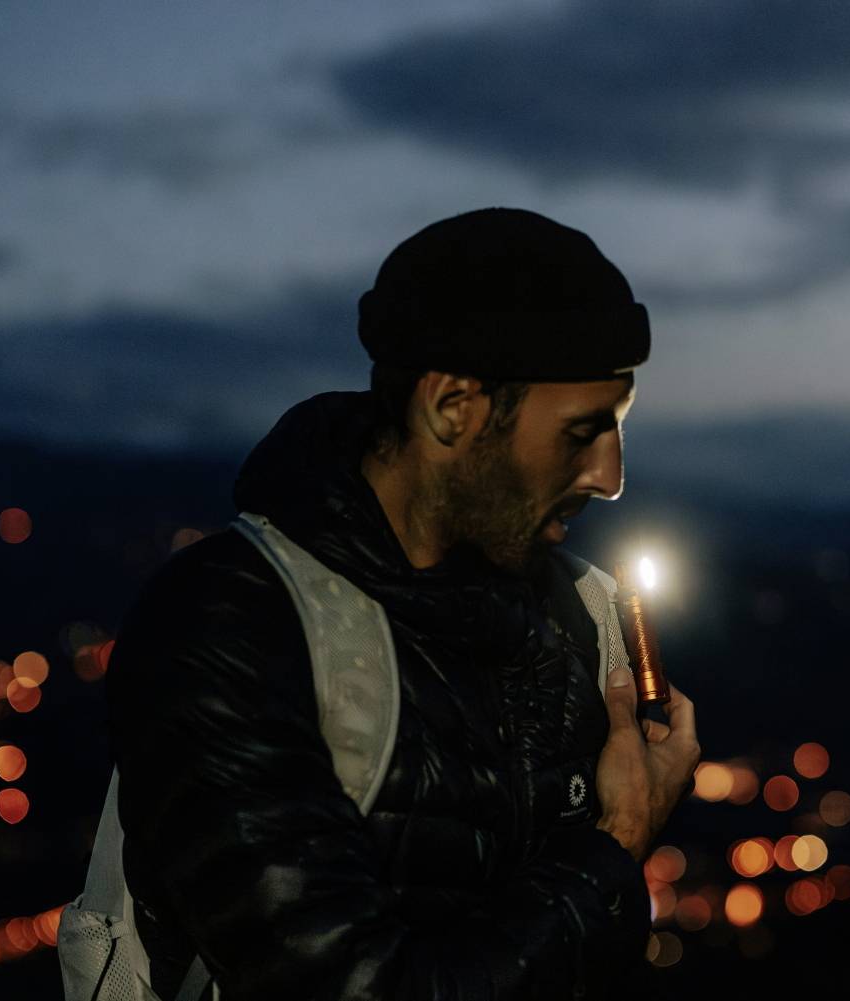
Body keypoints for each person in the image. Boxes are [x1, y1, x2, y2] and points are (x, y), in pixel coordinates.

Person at [106, 207, 701, 1000]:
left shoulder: (580, 613)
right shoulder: (232, 627)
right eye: (582, 432)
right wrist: (619, 842)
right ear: (453, 406)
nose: (611, 475)